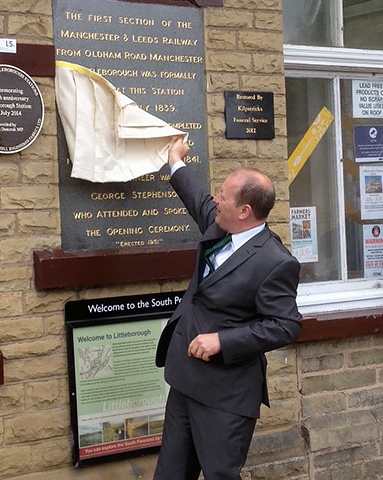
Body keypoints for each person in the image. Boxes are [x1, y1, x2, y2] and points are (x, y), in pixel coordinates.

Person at [153, 137, 301, 480]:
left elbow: (285, 325)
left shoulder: (275, 262)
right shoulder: (220, 224)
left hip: (226, 395)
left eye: (223, 195)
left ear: (245, 211)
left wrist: (223, 340)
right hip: (185, 379)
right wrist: (175, 160)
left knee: (220, 475)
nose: (215, 199)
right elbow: (196, 198)